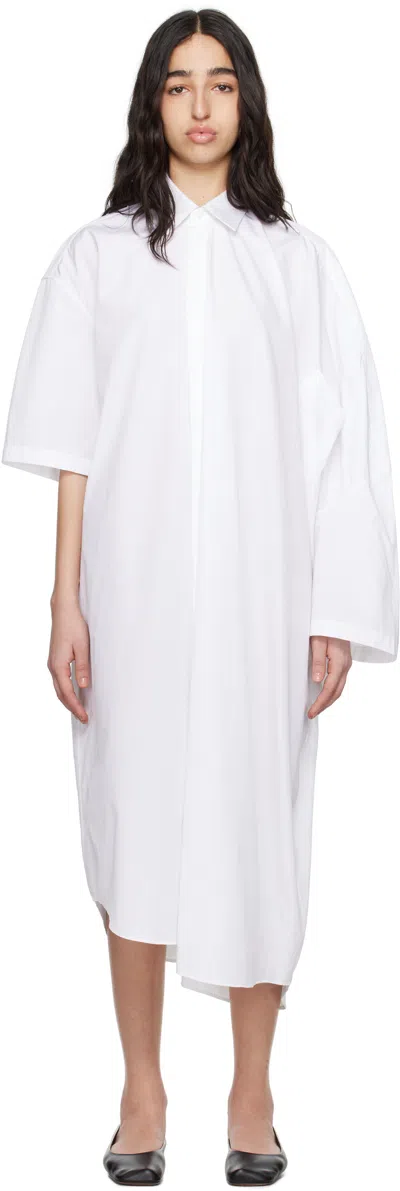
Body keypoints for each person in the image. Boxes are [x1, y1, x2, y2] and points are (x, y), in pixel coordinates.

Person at [2, 8, 399, 1188]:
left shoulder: (297, 263)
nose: (200, 106)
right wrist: (65, 601)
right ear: (151, 105)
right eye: (178, 85)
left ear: (247, 103)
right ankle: (139, 1087)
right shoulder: (98, 256)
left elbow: (342, 454)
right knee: (133, 816)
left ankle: (253, 1089)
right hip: (133, 592)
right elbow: (73, 444)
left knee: (255, 823)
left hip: (262, 600)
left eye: (220, 83)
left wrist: (333, 612)